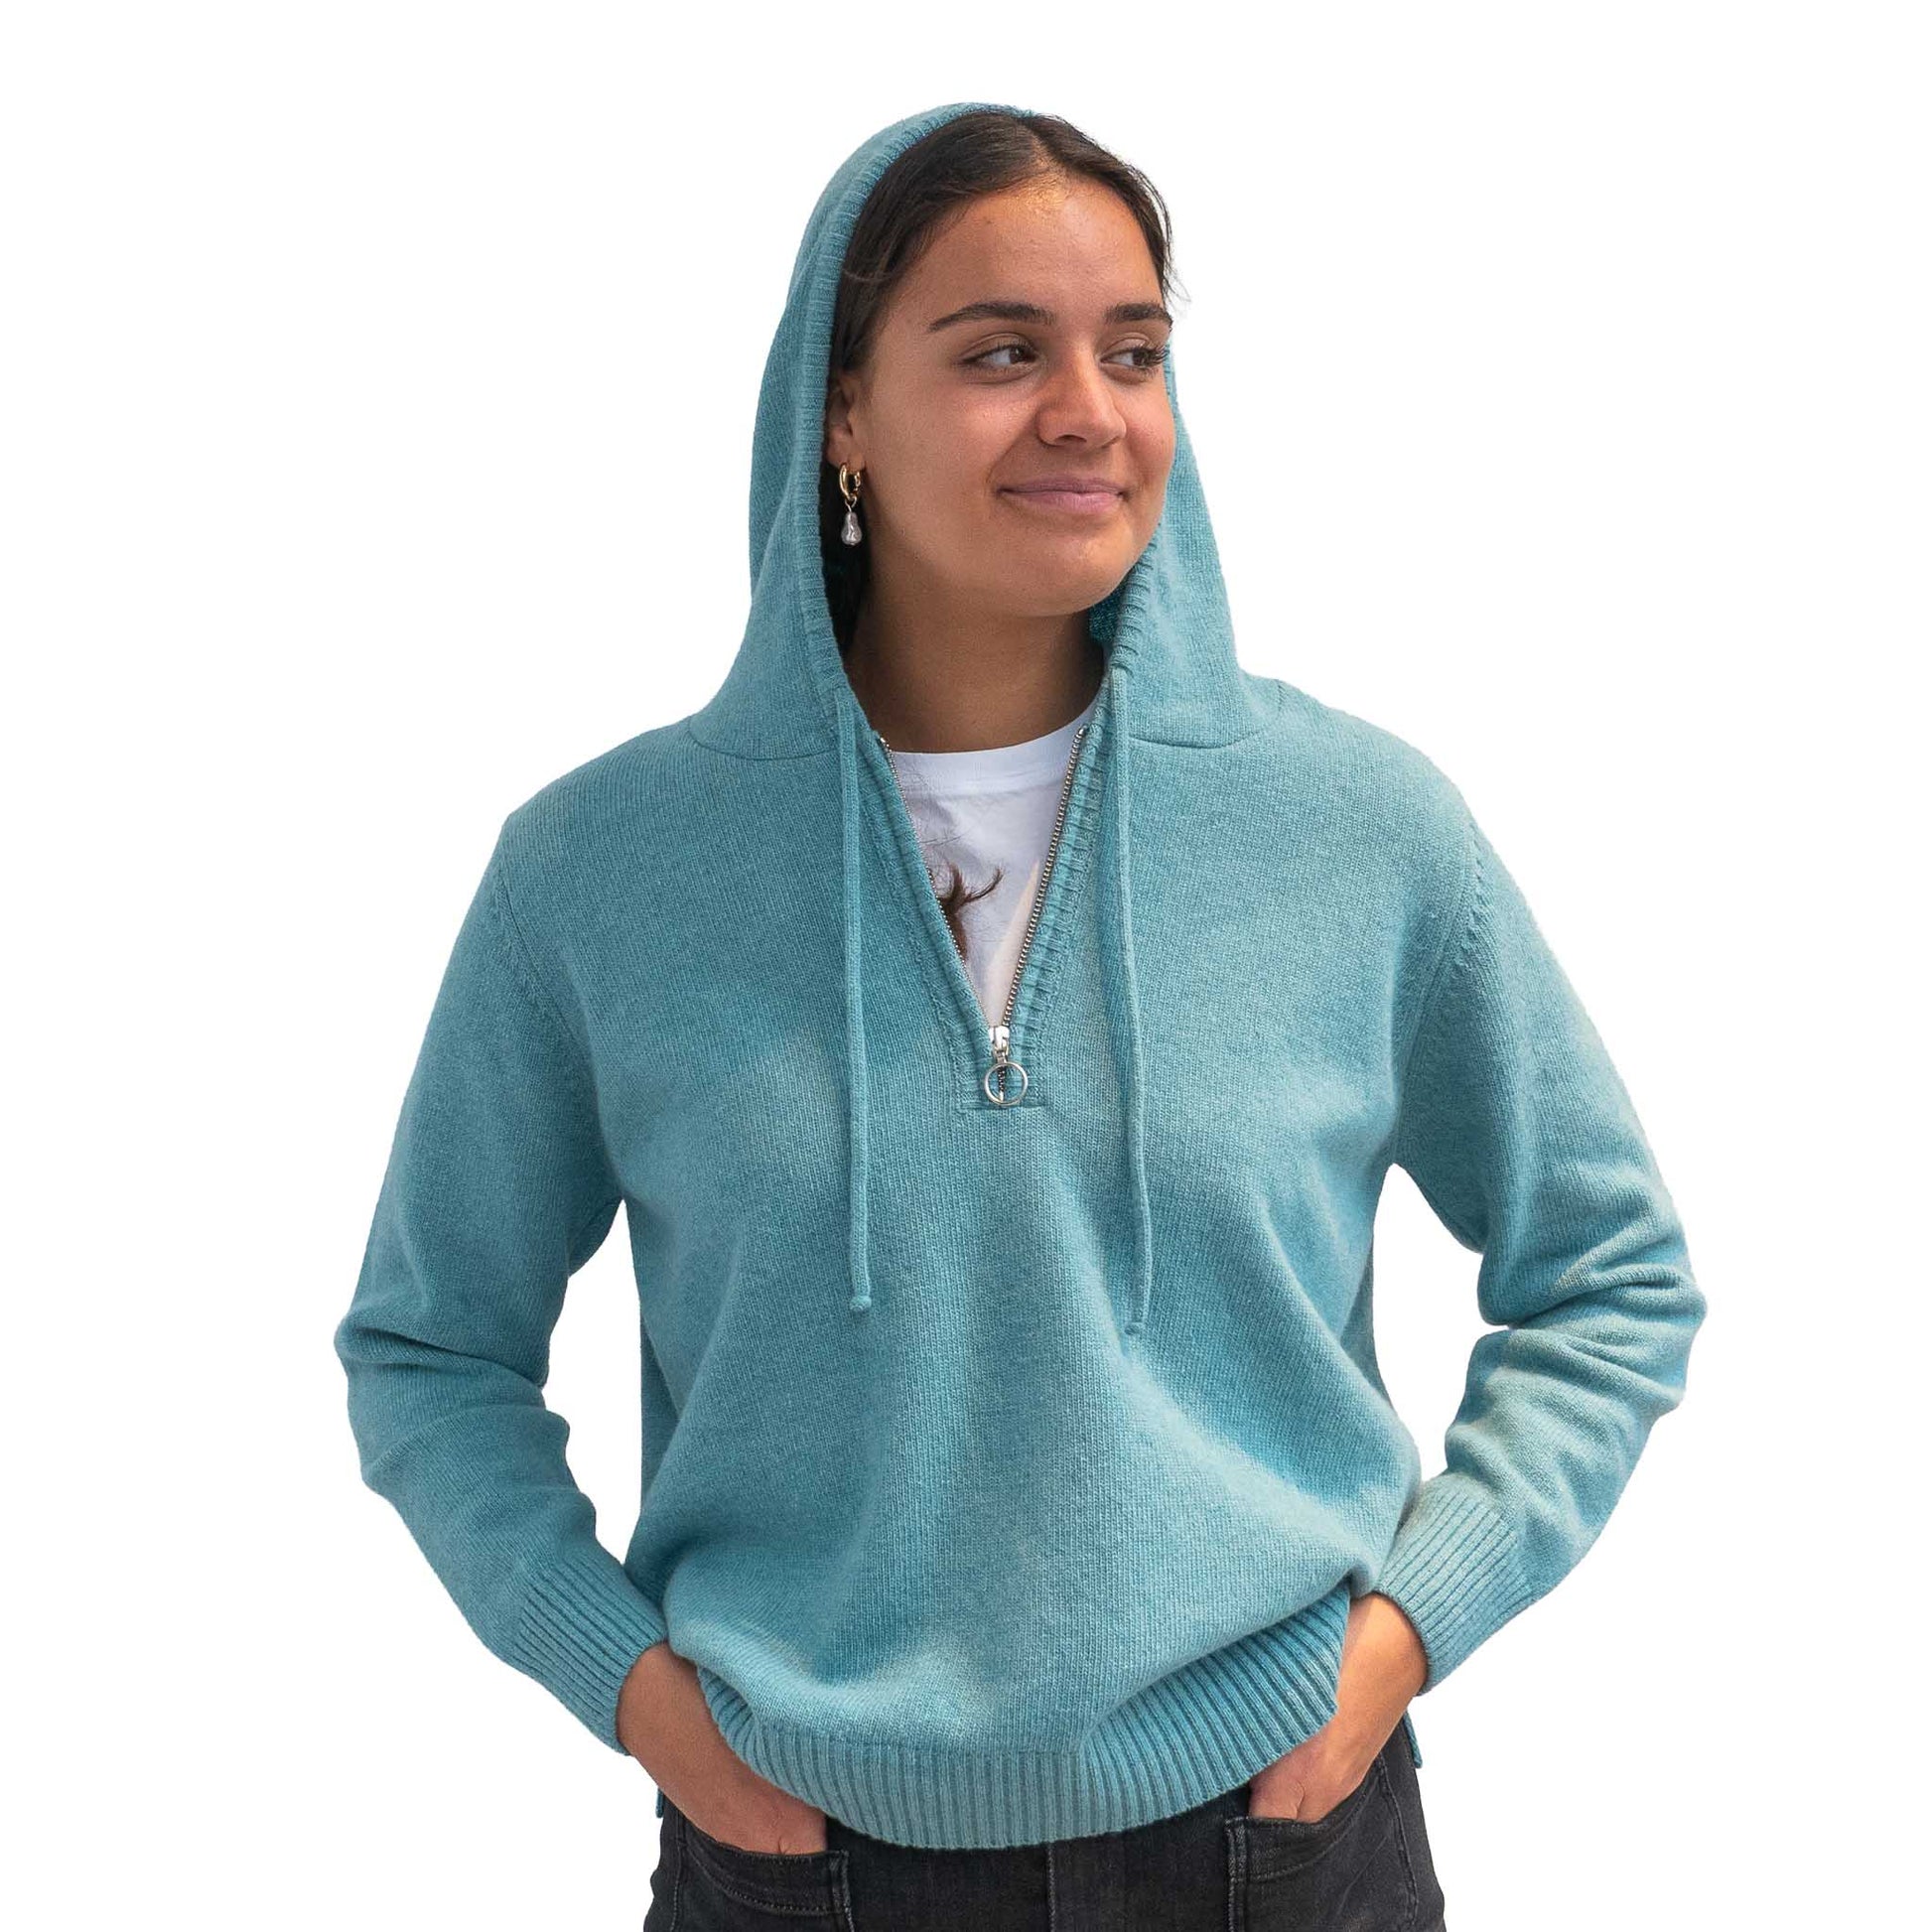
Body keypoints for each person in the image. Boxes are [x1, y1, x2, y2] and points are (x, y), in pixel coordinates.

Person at [334, 100, 1706, 1931]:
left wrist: (1400, 1633)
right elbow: (429, 1351)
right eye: (999, 354)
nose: (1086, 411)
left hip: (1278, 1840)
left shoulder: (1357, 831)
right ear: (839, 410)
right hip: (797, 1862)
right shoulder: (600, 870)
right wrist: (642, 1697)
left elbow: (1611, 1274)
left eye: (1131, 351)